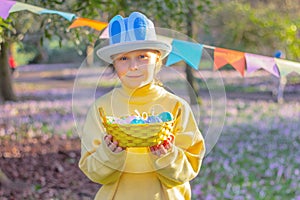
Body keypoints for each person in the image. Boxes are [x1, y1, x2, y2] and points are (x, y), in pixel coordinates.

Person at [78, 11, 205, 200]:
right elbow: (93, 171)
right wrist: (110, 153)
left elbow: (189, 168)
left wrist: (167, 155)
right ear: (114, 63)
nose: (134, 66)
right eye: (123, 58)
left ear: (158, 60)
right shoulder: (101, 109)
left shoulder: (176, 106)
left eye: (143, 56)